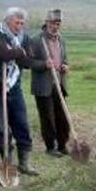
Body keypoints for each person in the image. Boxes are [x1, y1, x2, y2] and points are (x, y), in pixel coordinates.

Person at [0, 7, 38, 176]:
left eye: (22, 23)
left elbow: (29, 62)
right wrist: (19, 52)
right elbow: (3, 54)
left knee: (21, 122)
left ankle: (24, 162)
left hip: (14, 85)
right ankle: (7, 160)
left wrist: (18, 53)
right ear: (8, 20)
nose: (19, 26)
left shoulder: (24, 37)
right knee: (0, 125)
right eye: (17, 22)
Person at [28, 9, 70, 157]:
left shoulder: (61, 40)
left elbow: (64, 60)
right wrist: (44, 64)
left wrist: (65, 66)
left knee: (62, 117)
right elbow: (28, 62)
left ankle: (62, 145)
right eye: (53, 23)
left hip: (59, 84)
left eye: (58, 23)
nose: (55, 26)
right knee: (48, 118)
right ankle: (50, 147)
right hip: (43, 86)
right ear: (46, 23)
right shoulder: (36, 40)